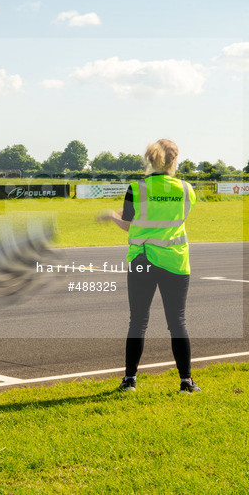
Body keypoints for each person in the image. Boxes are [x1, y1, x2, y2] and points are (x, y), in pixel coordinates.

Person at [97, 139, 200, 393]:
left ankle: (129, 380)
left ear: (149, 160)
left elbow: (130, 225)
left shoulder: (136, 188)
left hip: (142, 260)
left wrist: (112, 217)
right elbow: (171, 217)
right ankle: (186, 382)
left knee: (138, 321)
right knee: (177, 322)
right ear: (174, 160)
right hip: (175, 261)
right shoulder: (187, 190)